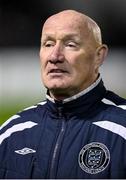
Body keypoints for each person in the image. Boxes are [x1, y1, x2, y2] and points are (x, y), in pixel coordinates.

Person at [0, 9, 126, 179]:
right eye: (48, 44)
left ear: (99, 56)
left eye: (70, 44)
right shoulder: (10, 133)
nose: (55, 56)